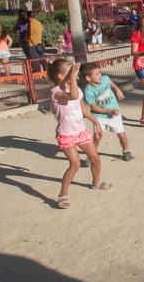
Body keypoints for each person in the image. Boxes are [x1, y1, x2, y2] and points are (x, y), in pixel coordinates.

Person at [47, 59, 111, 209]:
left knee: (95, 158)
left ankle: (96, 182)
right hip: (66, 133)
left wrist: (95, 122)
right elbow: (73, 96)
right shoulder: (56, 92)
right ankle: (62, 195)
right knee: (75, 164)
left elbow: (82, 107)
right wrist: (73, 78)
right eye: (71, 73)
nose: (74, 75)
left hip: (81, 131)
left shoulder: (76, 89)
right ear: (60, 76)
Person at [81, 63, 133, 161]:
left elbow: (109, 82)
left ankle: (126, 151)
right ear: (88, 78)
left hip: (114, 114)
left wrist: (117, 90)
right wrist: (110, 111)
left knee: (121, 134)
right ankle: (92, 154)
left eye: (99, 72)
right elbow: (94, 108)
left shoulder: (104, 79)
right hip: (100, 116)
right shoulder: (88, 91)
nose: (99, 75)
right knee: (97, 136)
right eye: (96, 74)